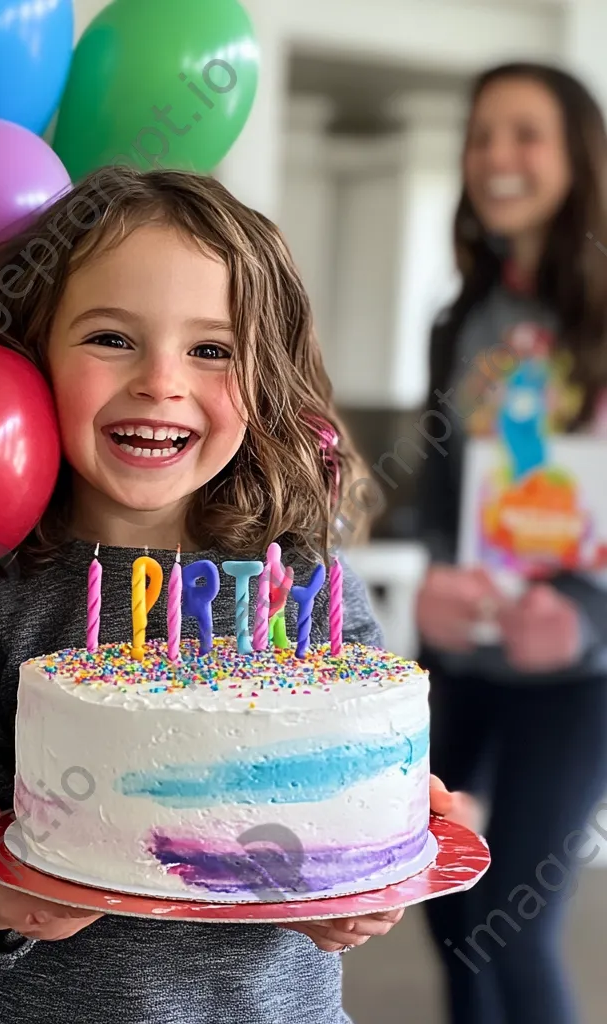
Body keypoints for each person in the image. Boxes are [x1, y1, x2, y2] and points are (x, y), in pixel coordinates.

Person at [0, 165, 467, 1024]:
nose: (161, 382)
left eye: (211, 349)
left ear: (264, 373)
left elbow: (368, 798)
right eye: (111, 338)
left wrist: (369, 884)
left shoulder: (303, 586)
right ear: (33, 354)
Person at [416, 63, 607, 1024]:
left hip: (578, 678)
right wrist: (432, 581)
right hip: (463, 658)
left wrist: (582, 617)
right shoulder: (459, 324)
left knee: (513, 919)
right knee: (443, 903)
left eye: (524, 134)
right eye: (482, 133)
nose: (496, 155)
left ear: (578, 156)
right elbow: (441, 497)